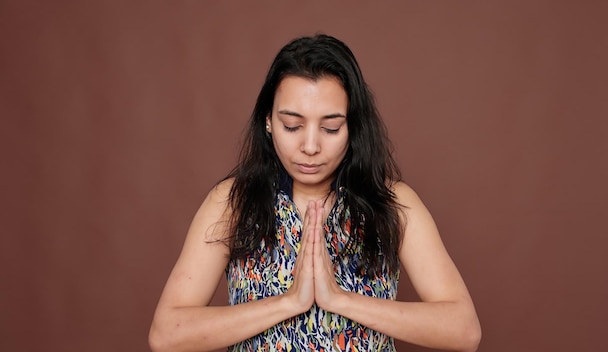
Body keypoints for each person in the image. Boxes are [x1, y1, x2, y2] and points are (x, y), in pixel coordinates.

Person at [149, 34, 481, 352]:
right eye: (292, 126)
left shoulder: (394, 203)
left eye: (331, 128)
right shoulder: (232, 202)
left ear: (353, 126)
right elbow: (167, 335)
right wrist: (289, 302)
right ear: (268, 121)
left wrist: (339, 299)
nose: (310, 146)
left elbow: (464, 330)